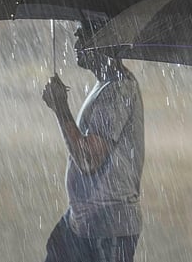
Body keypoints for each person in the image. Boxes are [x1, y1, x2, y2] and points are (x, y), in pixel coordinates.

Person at [42, 28, 144, 262]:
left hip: (107, 229)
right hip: (84, 223)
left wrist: (60, 108)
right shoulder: (106, 84)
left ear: (107, 40)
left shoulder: (119, 89)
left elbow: (89, 159)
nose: (77, 36)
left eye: (85, 31)